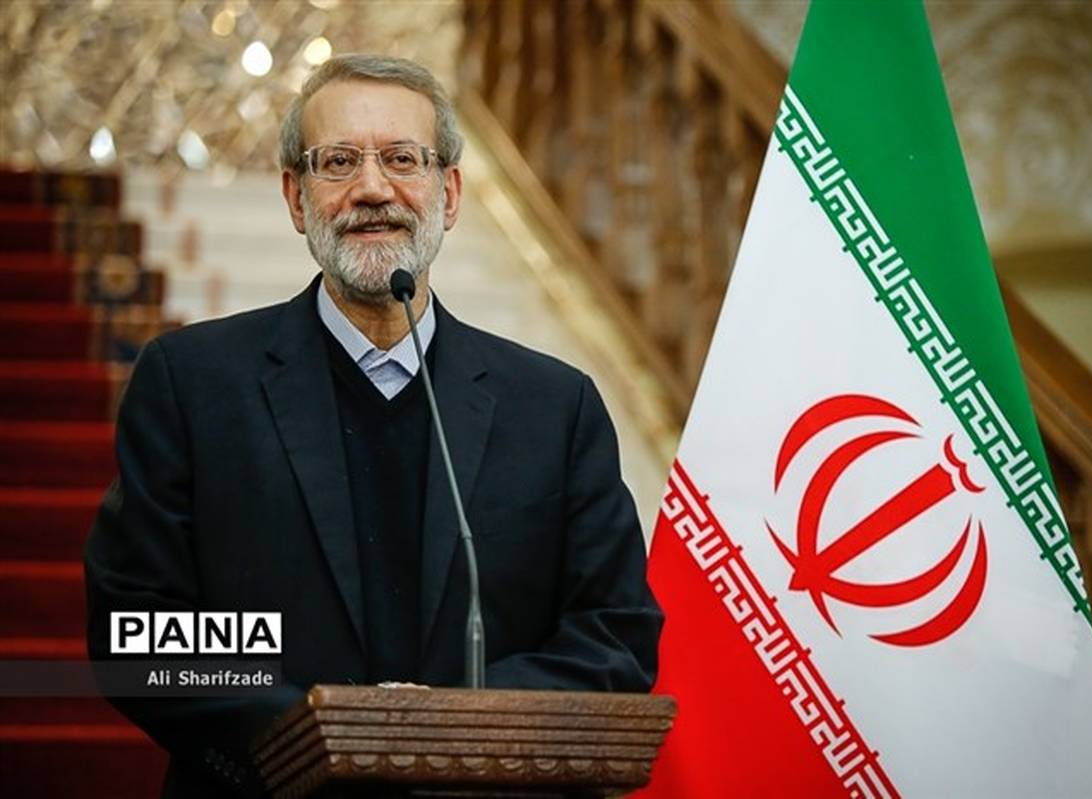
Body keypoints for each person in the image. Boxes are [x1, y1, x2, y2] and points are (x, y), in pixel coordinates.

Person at [85, 54, 662, 798]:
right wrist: (320, 734)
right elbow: (139, 629)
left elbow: (613, 637)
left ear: (449, 193)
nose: (372, 188)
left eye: (401, 158)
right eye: (338, 162)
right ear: (296, 198)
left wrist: (442, 732)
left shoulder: (556, 408)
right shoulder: (192, 385)